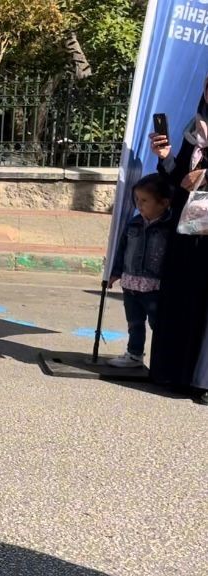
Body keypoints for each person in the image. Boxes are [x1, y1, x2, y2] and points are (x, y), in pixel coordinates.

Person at [147, 74, 208, 402]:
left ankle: (204, 381)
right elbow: (177, 179)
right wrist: (166, 156)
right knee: (185, 296)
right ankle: (175, 373)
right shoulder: (194, 128)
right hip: (189, 230)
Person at [107, 174, 173, 368]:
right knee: (134, 322)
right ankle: (134, 354)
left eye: (145, 201)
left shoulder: (169, 227)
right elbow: (122, 248)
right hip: (131, 284)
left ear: (164, 203)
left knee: (158, 324)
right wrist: (115, 272)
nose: (139, 205)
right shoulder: (134, 223)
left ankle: (163, 359)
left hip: (155, 287)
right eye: (137, 200)